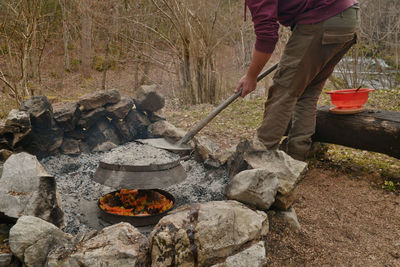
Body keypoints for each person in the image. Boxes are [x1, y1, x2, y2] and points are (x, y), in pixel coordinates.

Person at [236, 0, 360, 161]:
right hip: (348, 14)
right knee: (307, 92)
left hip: (322, 18)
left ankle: (259, 158)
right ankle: (296, 156)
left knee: (283, 90)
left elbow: (267, 35)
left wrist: (251, 76)